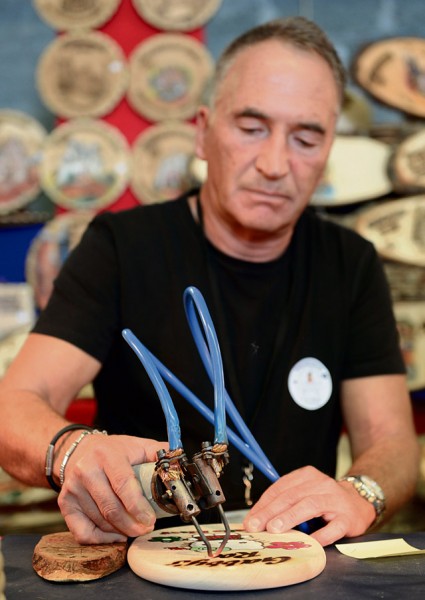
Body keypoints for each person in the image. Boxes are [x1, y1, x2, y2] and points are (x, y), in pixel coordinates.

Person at [0, 17, 419, 548]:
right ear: (202, 131)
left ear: (328, 151)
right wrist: (72, 451)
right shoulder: (121, 247)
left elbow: (393, 443)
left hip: (293, 565)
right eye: (251, 128)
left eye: (306, 138)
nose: (274, 164)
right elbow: (14, 406)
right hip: (145, 565)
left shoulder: (350, 262)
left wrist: (362, 490)